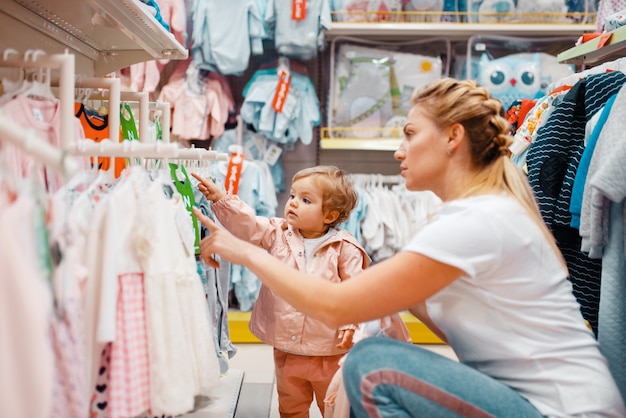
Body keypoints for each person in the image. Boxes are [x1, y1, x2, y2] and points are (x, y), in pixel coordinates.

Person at [192, 78, 626, 417]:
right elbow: (402, 310)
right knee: (373, 352)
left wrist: (245, 251)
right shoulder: (481, 213)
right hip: (537, 402)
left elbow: (336, 306)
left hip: (562, 410)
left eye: (410, 134)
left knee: (374, 363)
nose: (400, 151)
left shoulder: (477, 221)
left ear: (453, 137)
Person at [191, 166, 391, 418]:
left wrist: (351, 323)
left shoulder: (344, 247)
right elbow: (249, 224)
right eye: (293, 196)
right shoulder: (278, 233)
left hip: (329, 350)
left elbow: (357, 291)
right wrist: (221, 199)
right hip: (288, 350)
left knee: (333, 405)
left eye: (305, 200)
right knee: (291, 406)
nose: (293, 204)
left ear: (330, 215)